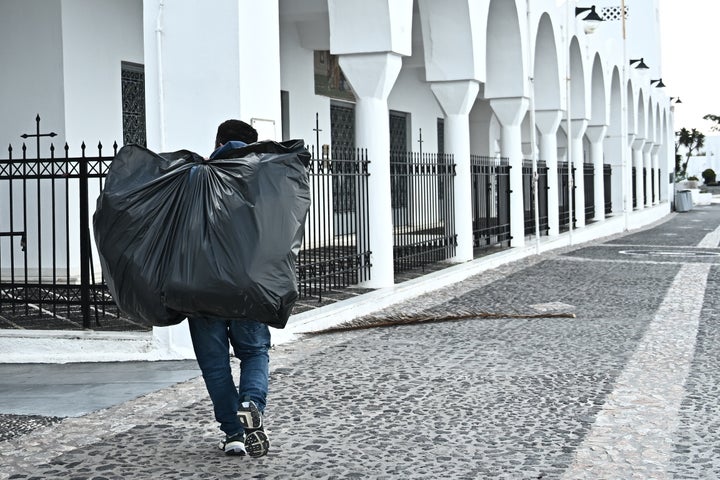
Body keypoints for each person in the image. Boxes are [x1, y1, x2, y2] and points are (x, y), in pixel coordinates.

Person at [187, 119, 271, 458]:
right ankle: (250, 402)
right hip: (248, 283)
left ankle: (234, 434)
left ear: (218, 141)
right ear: (251, 146)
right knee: (253, 352)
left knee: (215, 364)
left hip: (200, 284)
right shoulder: (264, 179)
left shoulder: (193, 177)